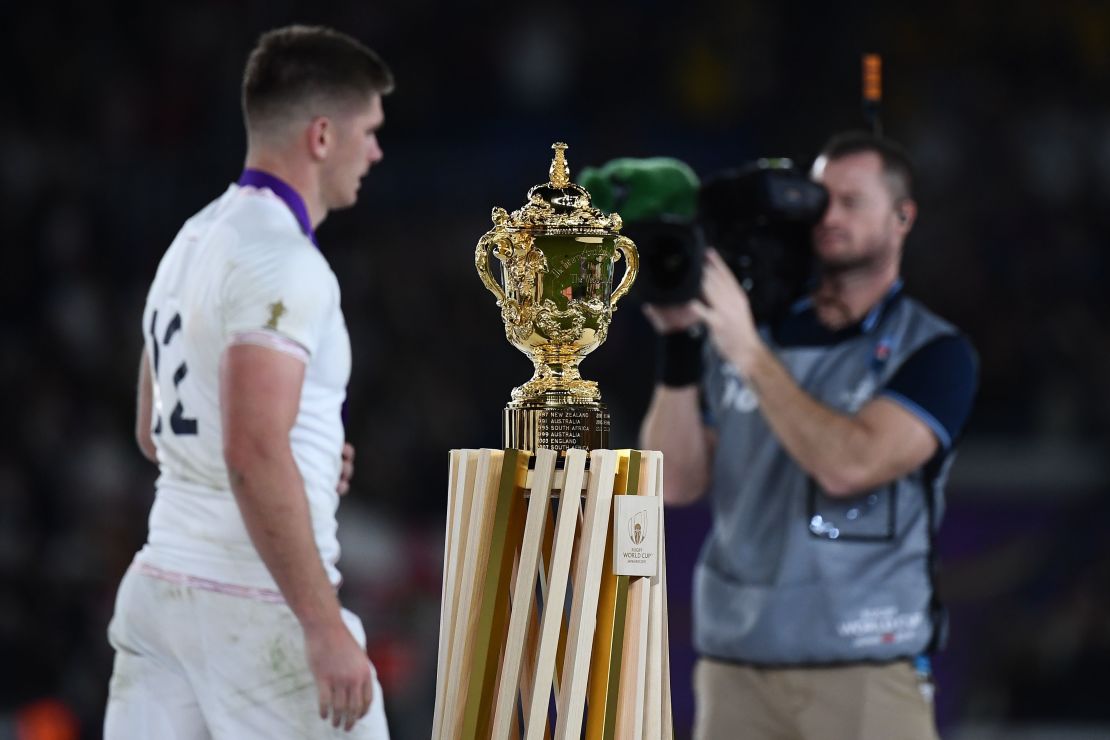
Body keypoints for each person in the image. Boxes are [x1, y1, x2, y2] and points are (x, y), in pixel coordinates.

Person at [104, 25, 394, 738]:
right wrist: (323, 626)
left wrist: (305, 457)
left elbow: (157, 430)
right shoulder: (285, 262)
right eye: (370, 131)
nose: (378, 152)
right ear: (322, 135)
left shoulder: (192, 241)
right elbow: (252, 451)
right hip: (251, 604)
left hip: (159, 594)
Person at [640, 131, 978, 739]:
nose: (830, 216)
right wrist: (678, 347)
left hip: (865, 669)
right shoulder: (753, 335)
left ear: (902, 217)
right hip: (735, 668)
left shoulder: (933, 353)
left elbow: (851, 464)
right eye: (821, 200)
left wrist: (746, 350)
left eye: (853, 202)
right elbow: (674, 480)